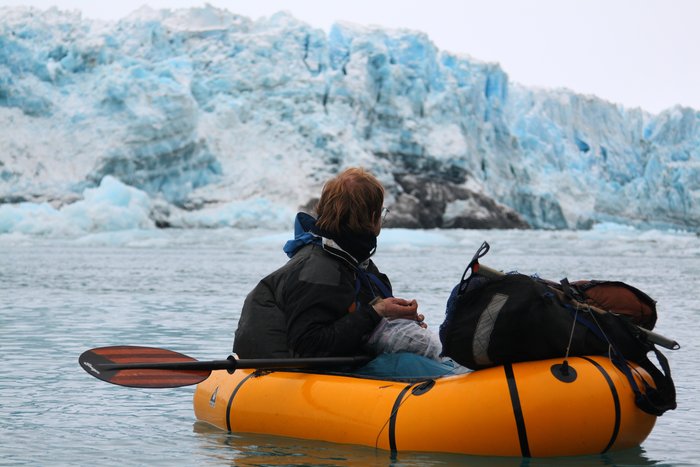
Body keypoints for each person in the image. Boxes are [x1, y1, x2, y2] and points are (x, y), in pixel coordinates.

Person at [232, 167, 450, 376]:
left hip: (339, 362)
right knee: (409, 365)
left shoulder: (354, 262)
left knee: (419, 357)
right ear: (371, 217)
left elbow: (360, 321)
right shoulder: (318, 269)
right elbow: (309, 346)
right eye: (381, 212)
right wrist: (377, 312)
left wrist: (397, 320)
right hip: (293, 371)